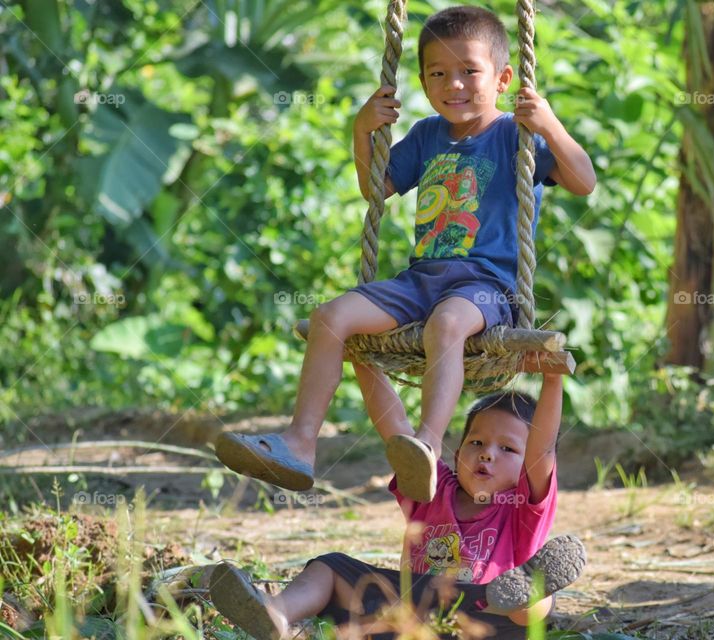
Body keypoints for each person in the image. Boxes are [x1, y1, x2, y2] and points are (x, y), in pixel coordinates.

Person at [213, 5, 596, 502]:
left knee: (447, 324)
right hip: (420, 280)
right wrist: (361, 130)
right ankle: (300, 444)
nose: (453, 84)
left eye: (468, 72)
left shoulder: (514, 135)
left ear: (503, 78)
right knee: (330, 317)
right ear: (422, 79)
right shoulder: (425, 135)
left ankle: (427, 447)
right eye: (438, 73)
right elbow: (376, 190)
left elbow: (584, 182)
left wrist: (551, 126)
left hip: (485, 288)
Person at [209, 363, 586, 640]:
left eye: (507, 448)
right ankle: (275, 613)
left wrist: (552, 379)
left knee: (532, 603)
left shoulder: (521, 504)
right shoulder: (432, 487)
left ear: (528, 463)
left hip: (488, 615)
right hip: (409, 612)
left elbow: (544, 447)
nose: (487, 454)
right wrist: (363, 360)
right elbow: (397, 429)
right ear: (456, 453)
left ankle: (529, 589)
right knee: (330, 567)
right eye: (475, 443)